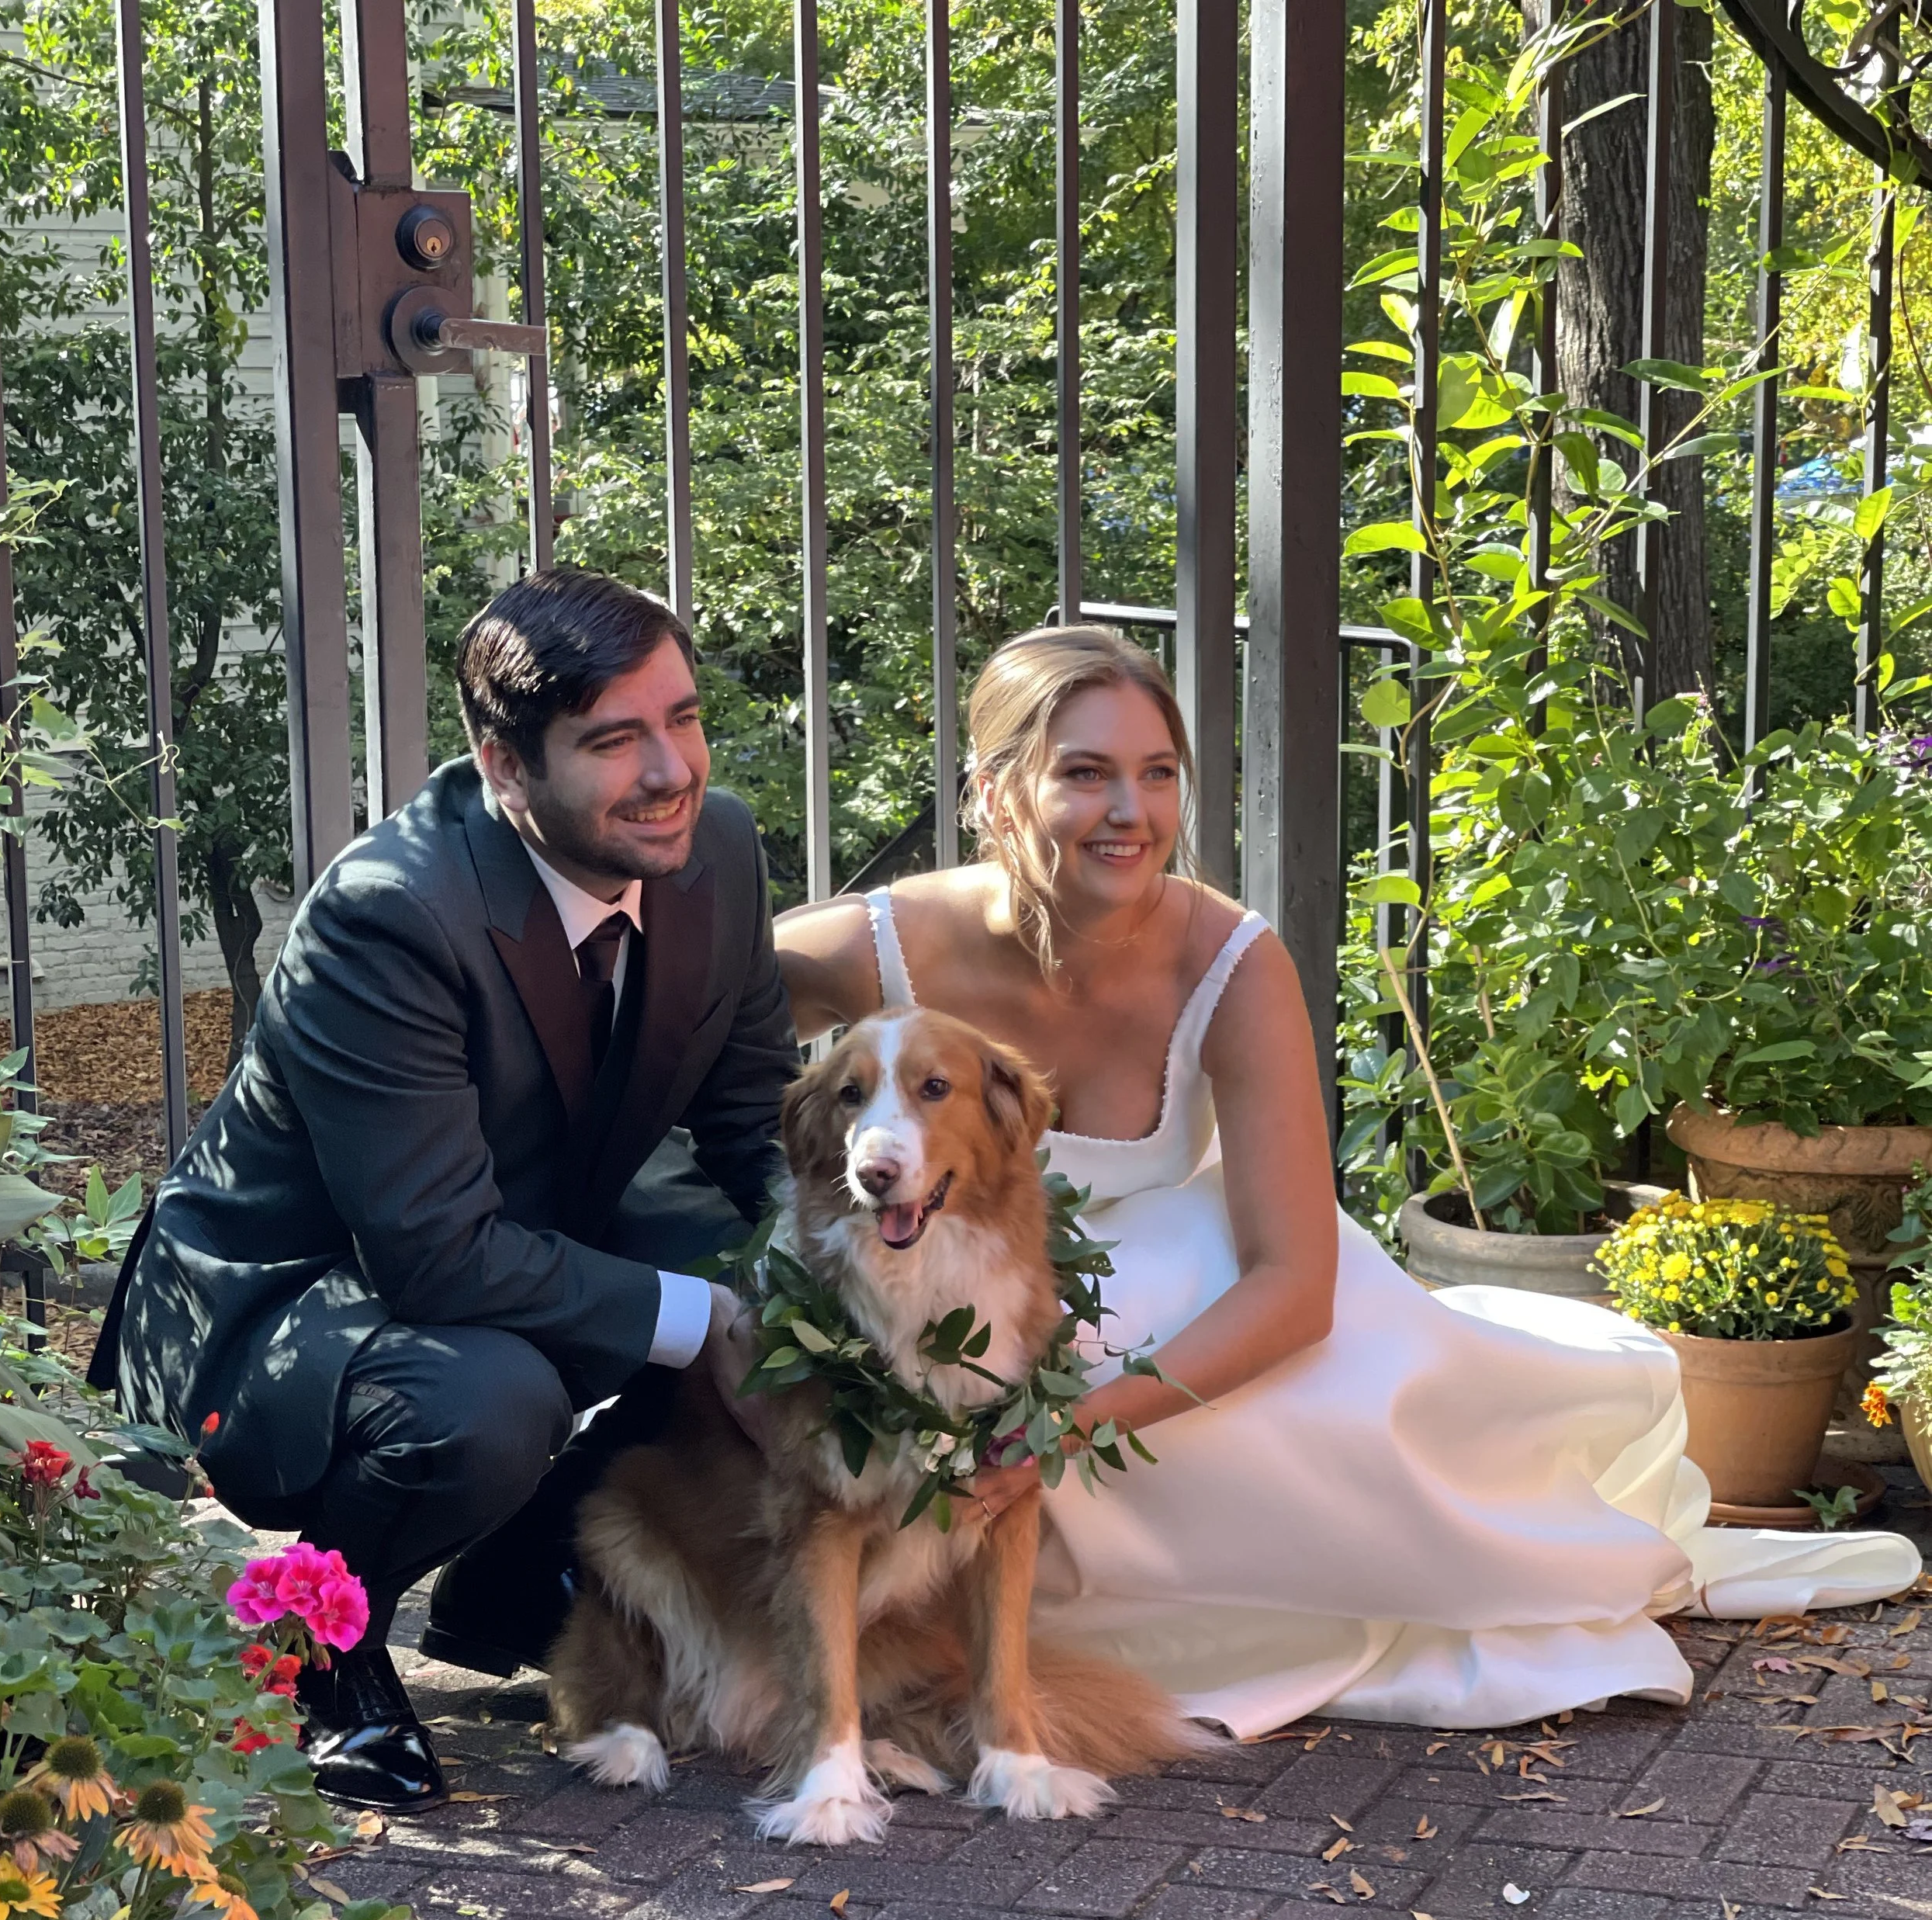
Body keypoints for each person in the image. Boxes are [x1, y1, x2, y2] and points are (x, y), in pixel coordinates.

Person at [775, 625, 1920, 1736]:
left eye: (1158, 773)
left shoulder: (1228, 958)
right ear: (992, 790)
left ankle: (1301, 1576)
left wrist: (1065, 1432)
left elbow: (1293, 1281)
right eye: (1085, 773)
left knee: (1142, 1307)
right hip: (957, 1301)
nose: (1130, 812)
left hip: (1195, 1304)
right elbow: (692, 1025)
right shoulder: (867, 948)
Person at [95, 568, 798, 1807]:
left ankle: (518, 1580)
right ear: (505, 764)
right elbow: (433, 1251)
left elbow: (750, 1129)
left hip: (517, 1229)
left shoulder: (719, 852)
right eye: (615, 740)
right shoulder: (390, 916)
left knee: (764, 1279)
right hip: (284, 1301)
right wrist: (708, 1327)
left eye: (681, 719)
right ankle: (318, 1639)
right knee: (490, 1401)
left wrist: (836, 1316)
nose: (670, 770)